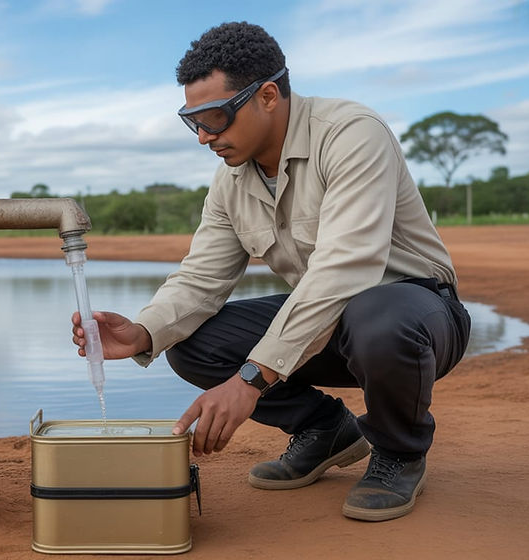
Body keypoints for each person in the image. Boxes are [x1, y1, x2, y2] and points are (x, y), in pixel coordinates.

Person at [71, 21, 471, 522]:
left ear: (266, 96)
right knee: (191, 341)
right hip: (331, 324)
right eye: (191, 120)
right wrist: (144, 330)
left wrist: (250, 380)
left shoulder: (350, 135)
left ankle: (399, 452)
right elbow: (201, 278)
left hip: (416, 316)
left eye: (215, 116)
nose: (203, 136)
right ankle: (327, 429)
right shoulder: (230, 181)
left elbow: (347, 268)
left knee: (379, 318)